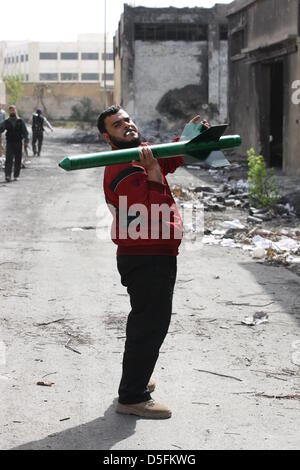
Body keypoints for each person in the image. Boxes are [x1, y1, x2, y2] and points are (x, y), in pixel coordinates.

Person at [98, 105, 209, 419]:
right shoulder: (119, 166)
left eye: (128, 119)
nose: (127, 125)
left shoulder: (139, 154)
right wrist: (155, 176)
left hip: (155, 254)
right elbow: (146, 214)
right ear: (107, 137)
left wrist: (187, 139)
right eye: (118, 125)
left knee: (146, 323)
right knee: (149, 325)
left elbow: (168, 158)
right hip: (145, 257)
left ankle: (138, 374)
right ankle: (132, 395)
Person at [0, 105, 29, 182]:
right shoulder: (6, 122)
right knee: (8, 160)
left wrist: (26, 141)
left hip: (18, 143)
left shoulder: (20, 121)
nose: (12, 111)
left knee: (18, 160)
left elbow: (25, 132)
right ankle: (7, 175)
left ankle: (16, 175)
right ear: (9, 112)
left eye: (13, 110)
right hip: (10, 143)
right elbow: (1, 129)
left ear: (15, 111)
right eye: (10, 110)